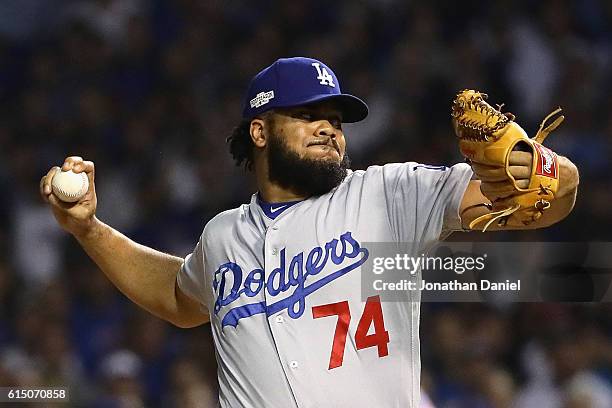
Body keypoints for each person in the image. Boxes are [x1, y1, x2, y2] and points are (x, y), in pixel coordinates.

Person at [40, 57, 579, 407]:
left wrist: (542, 172)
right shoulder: (224, 235)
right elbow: (177, 297)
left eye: (336, 120)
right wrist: (89, 230)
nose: (328, 127)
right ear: (259, 130)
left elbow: (552, 194)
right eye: (306, 114)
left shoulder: (390, 194)